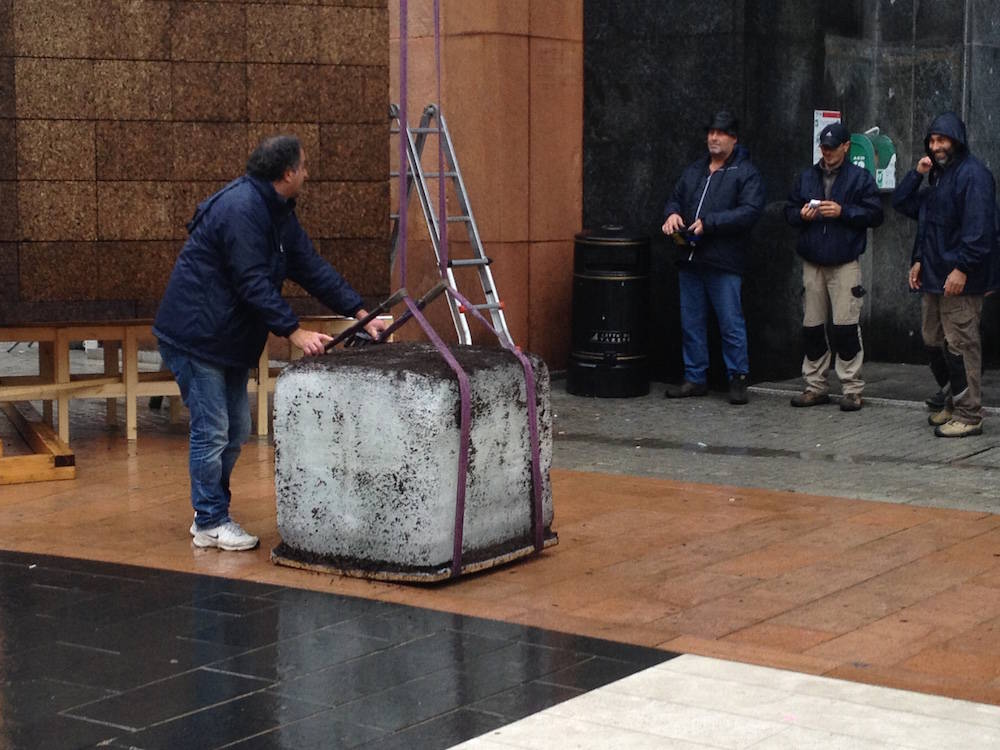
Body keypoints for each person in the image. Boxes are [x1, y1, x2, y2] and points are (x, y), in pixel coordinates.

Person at [154, 135, 388, 550]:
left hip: (225, 337)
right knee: (213, 431)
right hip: (196, 334)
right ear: (287, 173)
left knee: (236, 428)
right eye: (304, 166)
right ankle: (210, 519)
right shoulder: (242, 209)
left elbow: (310, 266)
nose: (308, 174)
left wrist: (358, 311)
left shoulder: (277, 212)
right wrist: (293, 331)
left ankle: (209, 511)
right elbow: (252, 282)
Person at [892, 112, 998, 437]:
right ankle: (953, 402)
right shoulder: (938, 178)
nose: (936, 146)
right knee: (933, 339)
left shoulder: (973, 176)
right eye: (933, 140)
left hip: (959, 279)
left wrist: (962, 269)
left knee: (962, 344)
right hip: (935, 277)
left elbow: (979, 231)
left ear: (957, 140)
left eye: (942, 140)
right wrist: (916, 173)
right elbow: (905, 206)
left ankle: (969, 414)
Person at [661, 111, 765, 405]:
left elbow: (750, 211)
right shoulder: (695, 170)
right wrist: (671, 214)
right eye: (710, 132)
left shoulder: (746, 173)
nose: (713, 138)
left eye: (720, 133)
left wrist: (710, 223)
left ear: (734, 138)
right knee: (691, 321)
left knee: (730, 322)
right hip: (690, 257)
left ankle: (738, 378)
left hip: (723, 260)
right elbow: (674, 198)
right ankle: (695, 377)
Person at [784, 122, 884, 411]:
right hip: (812, 260)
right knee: (812, 326)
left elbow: (875, 214)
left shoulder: (860, 178)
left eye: (832, 148)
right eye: (823, 148)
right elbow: (788, 210)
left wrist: (844, 212)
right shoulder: (807, 176)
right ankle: (815, 385)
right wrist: (801, 215)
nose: (827, 153)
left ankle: (852, 388)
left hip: (844, 262)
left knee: (846, 327)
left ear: (846, 147)